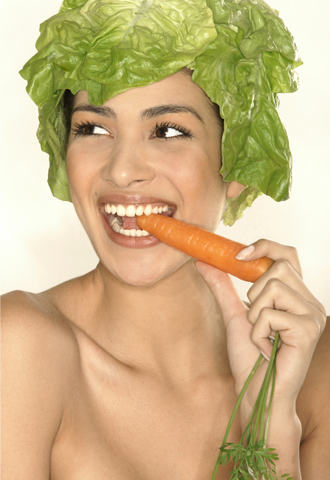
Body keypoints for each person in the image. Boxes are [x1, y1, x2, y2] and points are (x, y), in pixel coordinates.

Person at [1, 0, 329, 478]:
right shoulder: (21, 348)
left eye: (168, 131)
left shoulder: (315, 369)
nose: (122, 170)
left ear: (238, 162)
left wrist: (271, 423)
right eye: (92, 128)